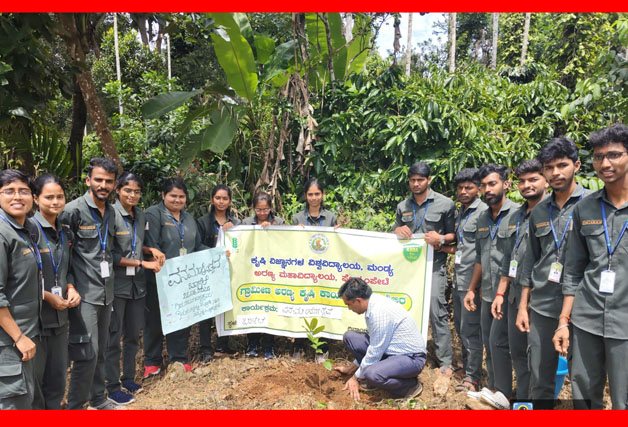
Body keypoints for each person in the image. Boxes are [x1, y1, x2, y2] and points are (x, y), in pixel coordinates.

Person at [557, 123, 628, 409]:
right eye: (599, 157)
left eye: (614, 155)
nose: (605, 163)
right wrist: (564, 321)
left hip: (625, 325)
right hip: (587, 319)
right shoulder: (585, 208)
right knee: (584, 395)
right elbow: (574, 269)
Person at [516, 137, 589, 409]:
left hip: (584, 307)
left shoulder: (592, 205)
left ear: (576, 166)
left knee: (584, 379)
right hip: (544, 306)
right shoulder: (539, 212)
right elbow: (530, 261)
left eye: (562, 165)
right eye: (549, 167)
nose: (556, 172)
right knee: (540, 377)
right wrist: (523, 306)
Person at [61, 157, 119, 410]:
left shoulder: (112, 211)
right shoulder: (72, 211)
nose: (103, 185)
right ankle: (76, 406)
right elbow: (62, 256)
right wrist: (70, 286)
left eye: (108, 181)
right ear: (88, 180)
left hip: (106, 291)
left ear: (114, 184)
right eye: (98, 180)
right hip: (83, 293)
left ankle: (98, 399)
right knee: (87, 351)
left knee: (101, 349)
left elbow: (110, 251)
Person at [392, 162, 456, 384]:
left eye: (420, 180)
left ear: (429, 180)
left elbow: (454, 236)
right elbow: (395, 231)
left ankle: (445, 361)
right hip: (408, 268)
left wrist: (441, 238)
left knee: (437, 310)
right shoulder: (403, 206)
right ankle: (406, 353)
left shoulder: (445, 204)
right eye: (412, 180)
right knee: (405, 308)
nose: (416, 184)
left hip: (434, 266)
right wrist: (397, 230)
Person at [104, 172, 165, 405]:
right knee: (113, 338)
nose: (132, 195)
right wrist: (142, 263)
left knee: (132, 335)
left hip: (137, 287)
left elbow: (137, 244)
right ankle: (111, 386)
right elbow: (109, 255)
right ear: (118, 190)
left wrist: (150, 250)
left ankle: (128, 378)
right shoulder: (109, 214)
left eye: (137, 191)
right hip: (117, 285)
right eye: (127, 190)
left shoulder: (140, 215)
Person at [463, 163, 519, 410]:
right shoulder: (481, 218)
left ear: (506, 184)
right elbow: (479, 257)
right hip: (487, 292)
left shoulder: (518, 214)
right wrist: (471, 289)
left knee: (500, 343)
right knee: (489, 341)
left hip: (509, 294)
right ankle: (493, 388)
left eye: (492, 184)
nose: (487, 189)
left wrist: (502, 292)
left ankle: (504, 392)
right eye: (483, 185)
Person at [491, 159, 547, 402]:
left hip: (541, 299)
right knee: (519, 355)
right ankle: (522, 403)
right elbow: (508, 258)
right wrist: (500, 294)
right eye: (522, 181)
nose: (527, 185)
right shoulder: (517, 215)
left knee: (538, 359)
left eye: (533, 179)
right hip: (514, 296)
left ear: (545, 180)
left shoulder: (552, 213)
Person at [143, 178, 207, 377]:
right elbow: (150, 244)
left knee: (181, 318)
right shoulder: (153, 214)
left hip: (183, 280)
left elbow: (197, 246)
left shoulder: (189, 219)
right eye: (173, 196)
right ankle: (152, 362)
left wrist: (219, 253)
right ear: (163, 195)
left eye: (181, 196)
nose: (177, 200)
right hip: (158, 278)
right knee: (154, 320)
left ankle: (178, 358)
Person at [31, 174, 81, 409]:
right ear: (35, 198)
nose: (55, 202)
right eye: (48, 197)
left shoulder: (65, 231)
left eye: (60, 196)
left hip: (60, 319)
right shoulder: (28, 230)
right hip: (35, 321)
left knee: (57, 379)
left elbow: (67, 269)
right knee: (35, 384)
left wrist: (71, 287)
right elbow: (18, 279)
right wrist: (46, 296)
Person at [333, 277, 426, 401]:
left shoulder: (379, 312)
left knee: (372, 374)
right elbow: (374, 342)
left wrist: (355, 378)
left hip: (411, 358)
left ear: (358, 300)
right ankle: (377, 374)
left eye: (349, 304)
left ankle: (409, 386)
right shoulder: (372, 305)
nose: (349, 308)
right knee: (350, 337)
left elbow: (375, 351)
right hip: (391, 352)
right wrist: (353, 367)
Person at [441, 168, 487, 392]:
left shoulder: (483, 212)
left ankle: (473, 378)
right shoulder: (463, 212)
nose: (463, 191)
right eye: (460, 188)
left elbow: (483, 252)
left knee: (471, 331)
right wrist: (439, 246)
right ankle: (468, 367)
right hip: (459, 280)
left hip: (472, 284)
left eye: (469, 187)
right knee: (461, 328)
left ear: (478, 189)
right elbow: (462, 247)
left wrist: (475, 286)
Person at [0, 170, 41, 409]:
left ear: (32, 197)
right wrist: (18, 337)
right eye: (9, 191)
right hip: (9, 342)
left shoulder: (24, 229)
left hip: (25, 336)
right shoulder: (2, 233)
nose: (17, 197)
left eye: (23, 191)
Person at [291, 178, 338, 361]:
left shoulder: (331, 218)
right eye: (310, 194)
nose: (314, 197)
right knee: (302, 305)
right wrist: (295, 232)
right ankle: (299, 346)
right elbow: (291, 244)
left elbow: (336, 246)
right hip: (303, 271)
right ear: (305, 196)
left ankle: (322, 348)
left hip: (324, 272)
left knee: (322, 307)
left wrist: (339, 234)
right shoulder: (297, 218)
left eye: (317, 194)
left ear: (323, 194)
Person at [197, 184, 240, 361]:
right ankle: (205, 349)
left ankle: (222, 345)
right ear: (212, 199)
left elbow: (243, 244)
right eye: (218, 198)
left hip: (230, 272)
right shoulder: (202, 222)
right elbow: (197, 245)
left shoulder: (236, 223)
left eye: (225, 198)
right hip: (208, 272)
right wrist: (217, 253)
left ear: (230, 201)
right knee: (206, 311)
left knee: (226, 308)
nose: (221, 202)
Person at [242, 191, 283, 360]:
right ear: (253, 208)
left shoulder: (279, 222)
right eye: (259, 210)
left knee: (269, 307)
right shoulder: (246, 223)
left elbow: (286, 243)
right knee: (254, 306)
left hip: (272, 271)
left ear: (271, 208)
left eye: (265, 209)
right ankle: (252, 344)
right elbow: (241, 243)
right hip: (252, 271)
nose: (262, 213)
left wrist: (272, 229)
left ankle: (269, 346)